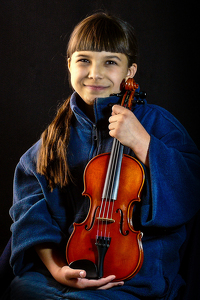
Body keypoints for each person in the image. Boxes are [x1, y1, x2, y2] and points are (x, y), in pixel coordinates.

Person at [6, 12, 200, 300]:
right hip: (69, 270)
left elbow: (192, 188)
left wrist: (143, 143)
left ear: (129, 72)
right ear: (69, 64)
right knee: (21, 290)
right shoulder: (53, 139)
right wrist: (59, 270)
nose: (95, 73)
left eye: (110, 62)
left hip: (136, 278)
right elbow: (32, 215)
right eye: (84, 60)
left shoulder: (157, 124)